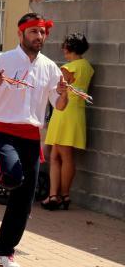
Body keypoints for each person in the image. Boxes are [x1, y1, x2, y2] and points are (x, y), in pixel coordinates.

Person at [0, 13, 68, 267]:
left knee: (24, 200)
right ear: (21, 34)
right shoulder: (1, 60)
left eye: (42, 33)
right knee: (13, 177)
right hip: (4, 129)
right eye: (33, 32)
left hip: (32, 134)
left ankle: (5, 252)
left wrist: (63, 94)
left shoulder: (50, 66)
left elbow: (58, 106)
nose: (39, 37)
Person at [43, 33, 93, 210]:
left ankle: (63, 196)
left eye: (65, 46)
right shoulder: (86, 66)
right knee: (57, 155)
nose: (63, 49)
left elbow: (57, 91)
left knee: (63, 155)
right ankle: (54, 195)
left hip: (64, 112)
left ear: (69, 48)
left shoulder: (68, 68)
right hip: (77, 112)